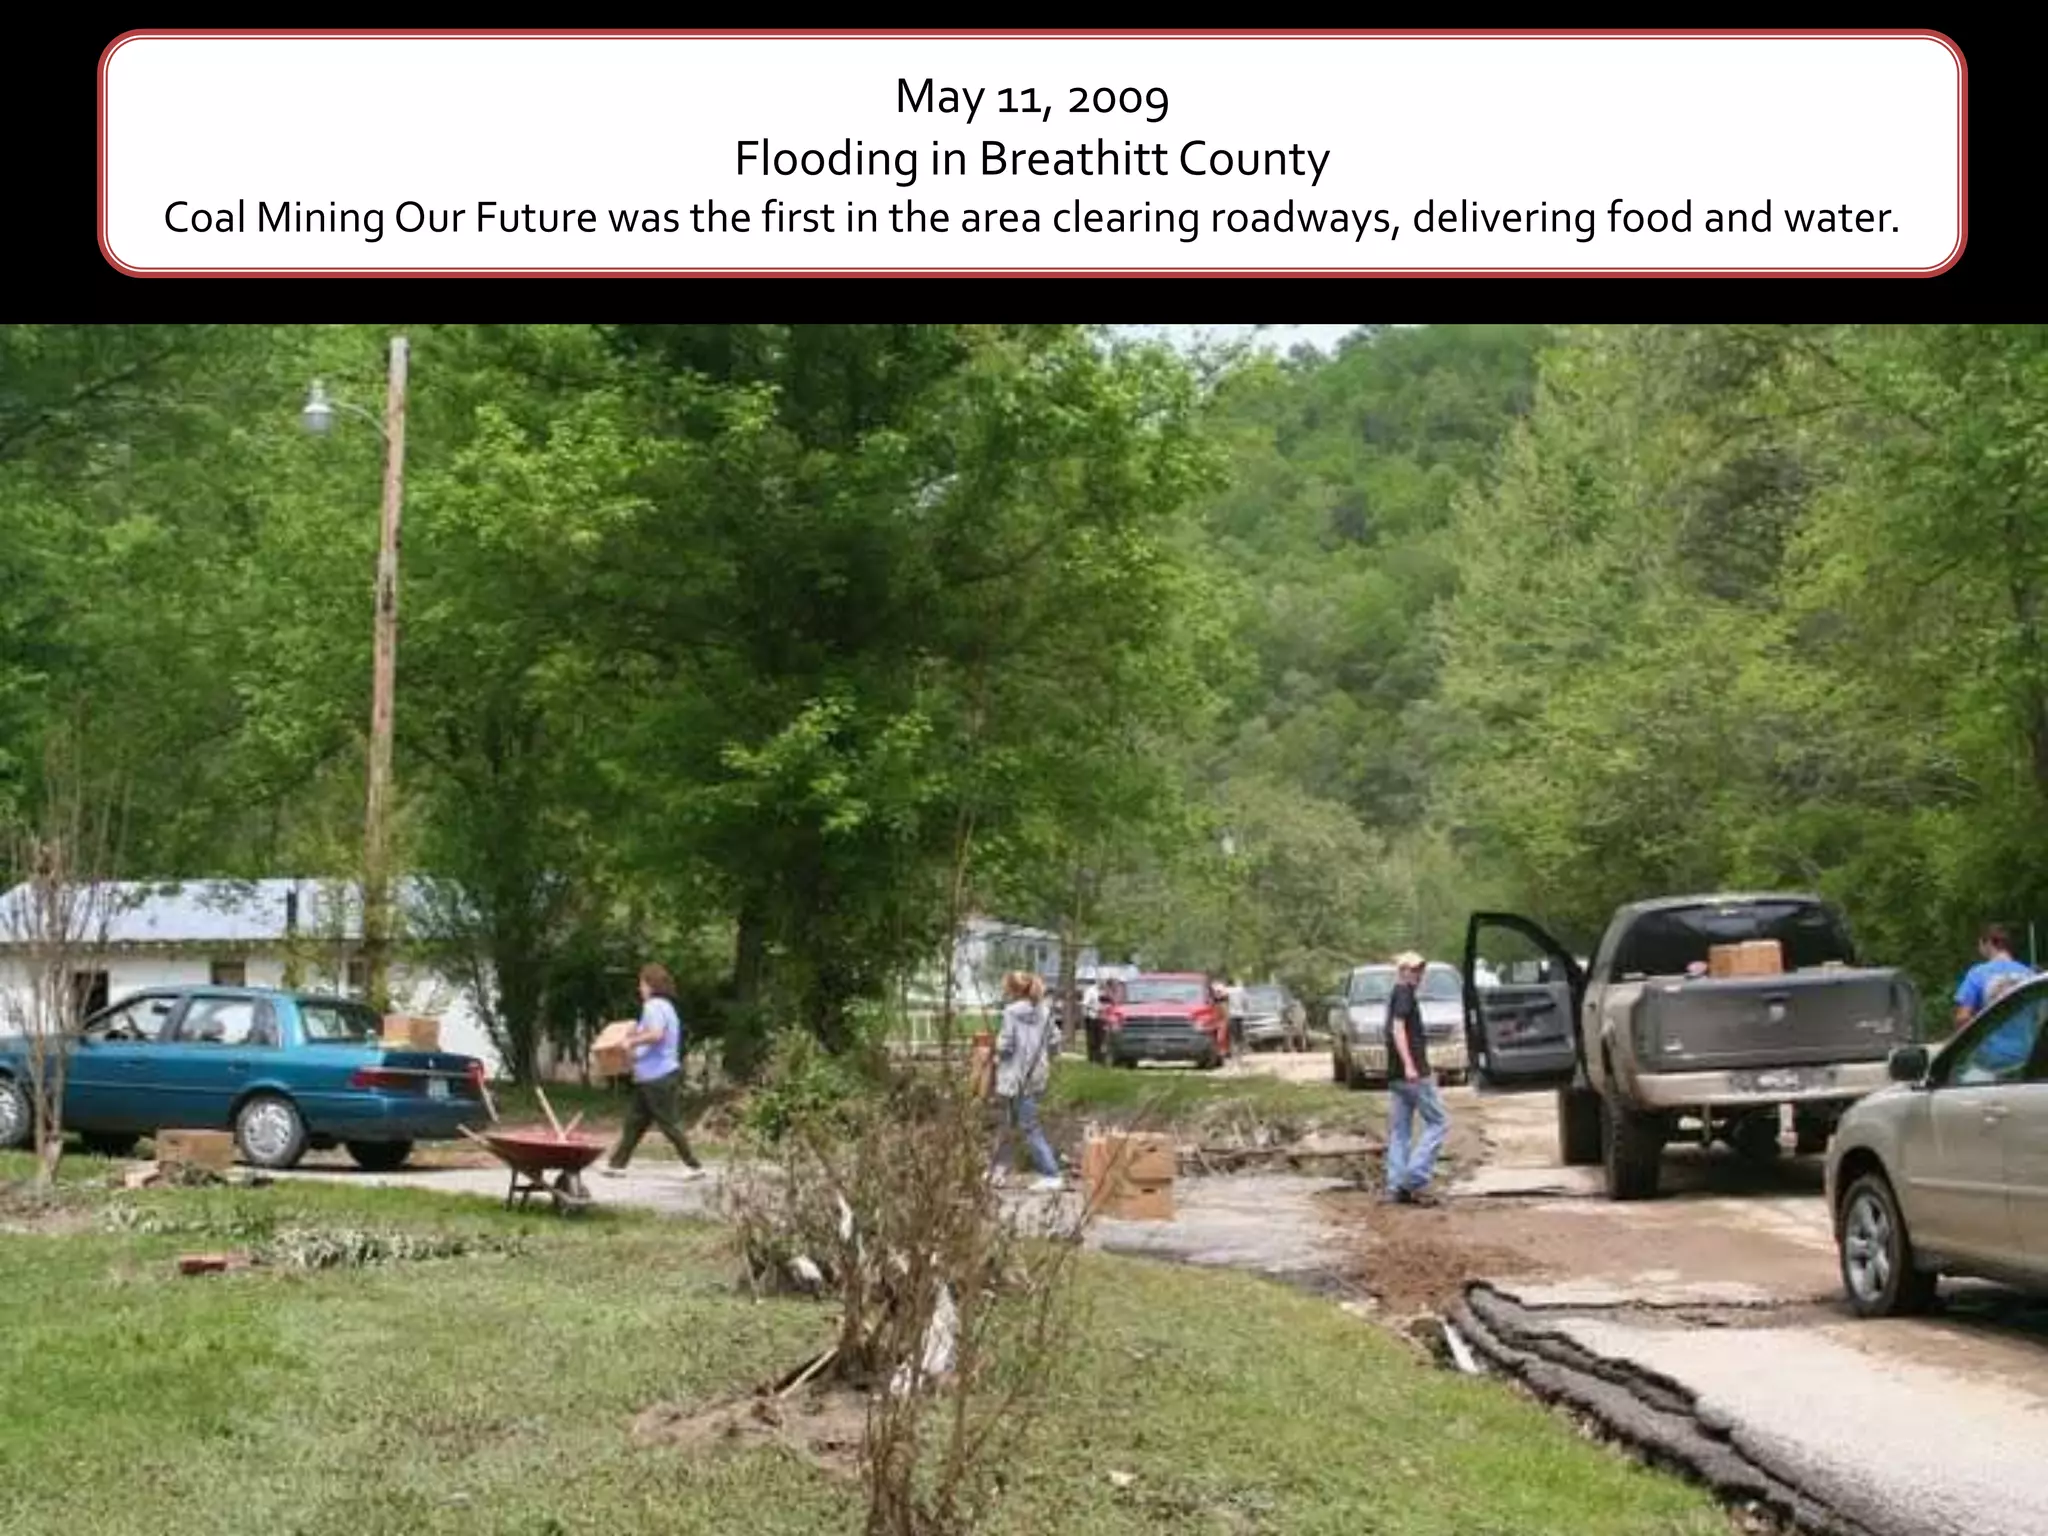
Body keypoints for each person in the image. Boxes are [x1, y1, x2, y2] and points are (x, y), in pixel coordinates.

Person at [601, 963, 706, 1180]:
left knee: (669, 1123)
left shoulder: (653, 1006)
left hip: (657, 1075)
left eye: (641, 984)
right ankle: (617, 1165)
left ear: (650, 985)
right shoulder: (667, 1007)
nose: (639, 989)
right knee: (634, 1123)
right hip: (650, 1075)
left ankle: (694, 1166)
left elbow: (656, 1034)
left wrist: (630, 1041)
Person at [1382, 949, 1450, 1207]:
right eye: (1413, 969)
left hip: (1396, 1075)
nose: (1418, 974)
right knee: (1439, 1122)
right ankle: (1414, 1178)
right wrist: (1411, 1066)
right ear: (1402, 971)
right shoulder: (1404, 993)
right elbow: (1398, 1030)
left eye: (1420, 969)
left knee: (1400, 1130)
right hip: (1412, 1075)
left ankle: (1395, 1186)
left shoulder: (1398, 993)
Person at [989, 971, 1063, 1191]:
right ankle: (998, 1171)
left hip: (1015, 1076)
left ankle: (1051, 1174)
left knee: (1028, 1126)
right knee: (1009, 1123)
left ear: (1013, 991)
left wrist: (995, 1052)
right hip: (1036, 1074)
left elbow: (1006, 1045)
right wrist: (1044, 1058)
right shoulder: (1045, 1011)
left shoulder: (1010, 1012)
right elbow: (1055, 1041)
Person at [1955, 924, 2033, 1031]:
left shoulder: (1977, 973)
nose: (1979, 949)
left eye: (1980, 944)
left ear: (1988, 943)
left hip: (1991, 1041)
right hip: (2027, 1041)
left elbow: (1963, 1018)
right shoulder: (2029, 974)